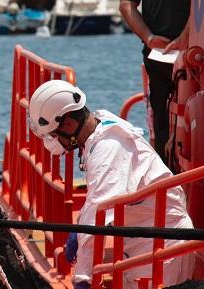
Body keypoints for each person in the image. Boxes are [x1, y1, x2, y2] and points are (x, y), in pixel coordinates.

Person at [28, 80, 193, 289]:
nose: (54, 141)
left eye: (53, 135)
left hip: (162, 250)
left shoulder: (108, 149)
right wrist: (78, 230)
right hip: (145, 245)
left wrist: (83, 278)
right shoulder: (101, 128)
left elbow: (99, 212)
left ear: (68, 124)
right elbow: (96, 202)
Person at [119, 0, 197, 161]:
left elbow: (126, 5)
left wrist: (150, 38)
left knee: (161, 115)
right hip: (194, 56)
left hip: (157, 56)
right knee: (196, 114)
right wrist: (184, 37)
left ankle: (165, 175)